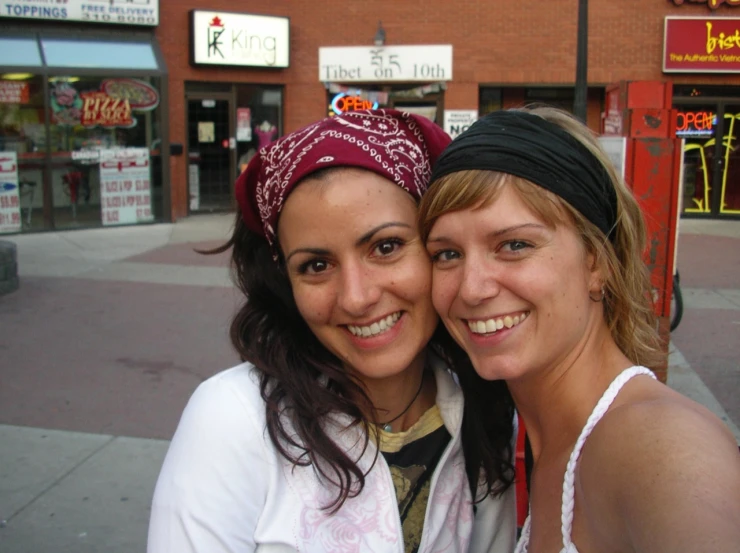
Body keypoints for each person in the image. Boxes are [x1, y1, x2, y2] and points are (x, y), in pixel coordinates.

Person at [147, 109, 517, 553]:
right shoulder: (233, 420)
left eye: (386, 247)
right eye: (316, 266)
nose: (356, 298)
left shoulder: (486, 408)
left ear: (439, 248)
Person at [418, 106, 740, 553]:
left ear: (597, 262)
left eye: (514, 245)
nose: (472, 289)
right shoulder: (536, 435)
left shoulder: (661, 446)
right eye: (446, 254)